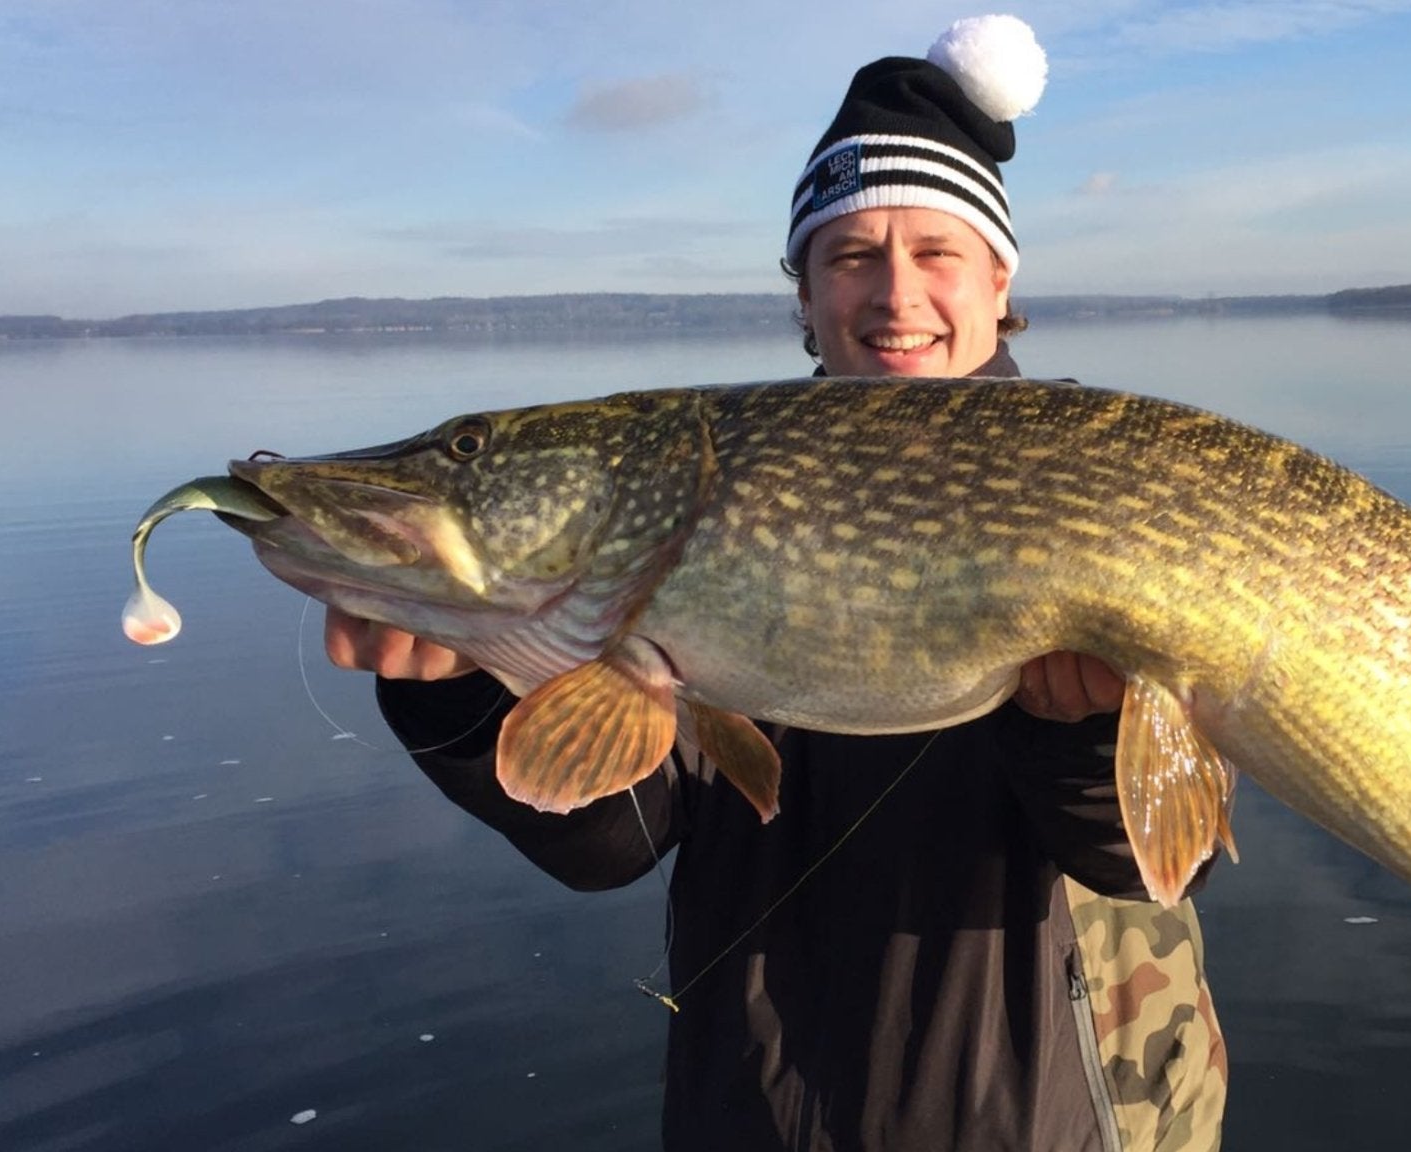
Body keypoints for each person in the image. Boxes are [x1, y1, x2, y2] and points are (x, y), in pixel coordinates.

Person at [328, 16, 1226, 1151]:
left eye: (935, 253)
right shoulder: (715, 499)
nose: (895, 295)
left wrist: (1082, 733)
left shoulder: (1111, 480)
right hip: (753, 1104)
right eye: (849, 257)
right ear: (803, 293)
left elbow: (1149, 862)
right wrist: (460, 695)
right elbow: (615, 838)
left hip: (1056, 1113)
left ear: (998, 280)